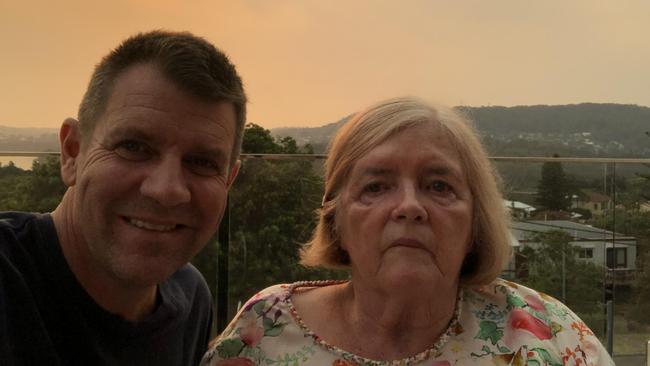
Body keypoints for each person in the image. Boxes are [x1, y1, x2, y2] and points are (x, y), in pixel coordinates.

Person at [202, 97, 614, 365]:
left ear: (475, 223)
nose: (409, 207)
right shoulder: (264, 329)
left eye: (439, 186)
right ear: (336, 220)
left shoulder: (549, 335)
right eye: (376, 186)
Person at [0, 30, 246, 365]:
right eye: (133, 146)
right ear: (72, 153)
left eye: (202, 163)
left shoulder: (191, 298)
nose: (167, 190)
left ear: (228, 182)